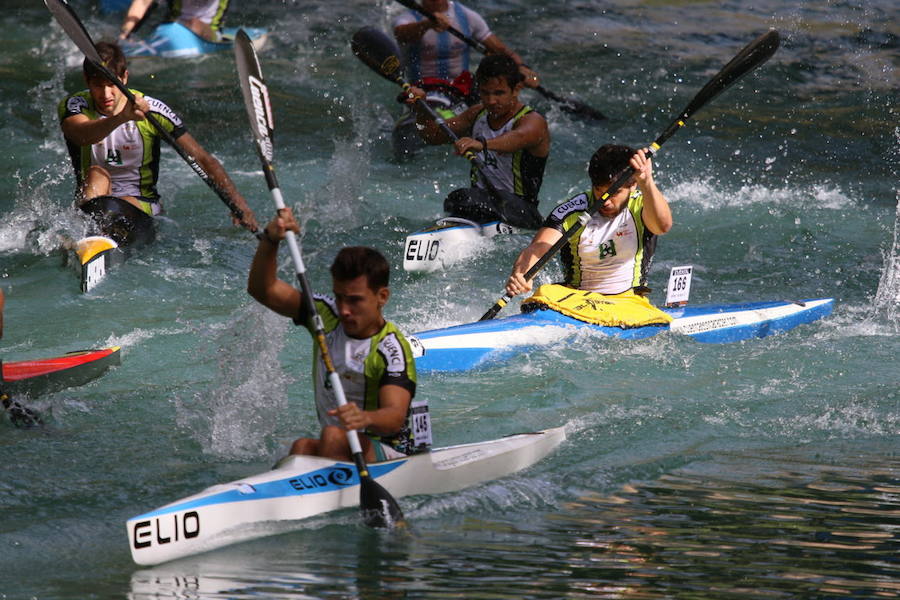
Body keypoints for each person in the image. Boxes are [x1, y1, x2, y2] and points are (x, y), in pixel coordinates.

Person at [247, 208, 429, 462]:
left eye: (355, 300)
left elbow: (394, 418)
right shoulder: (324, 316)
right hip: (340, 443)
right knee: (301, 448)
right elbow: (261, 289)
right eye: (339, 297)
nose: (344, 310)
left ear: (382, 297)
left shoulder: (391, 349)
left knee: (332, 436)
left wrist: (365, 418)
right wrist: (270, 239)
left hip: (392, 452)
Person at [58, 41, 256, 232]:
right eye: (98, 85)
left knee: (118, 206)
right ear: (86, 80)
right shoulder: (76, 105)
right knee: (96, 175)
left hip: (140, 203)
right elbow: (80, 135)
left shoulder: (154, 111)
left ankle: (96, 233)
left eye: (112, 84)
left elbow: (203, 159)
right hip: (93, 200)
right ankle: (88, 238)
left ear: (124, 78)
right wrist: (122, 118)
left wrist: (239, 205)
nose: (106, 93)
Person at [506, 144, 672, 299]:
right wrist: (522, 273)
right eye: (599, 190)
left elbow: (662, 227)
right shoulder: (571, 212)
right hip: (578, 299)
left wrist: (647, 182)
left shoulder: (644, 205)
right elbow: (539, 246)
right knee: (544, 293)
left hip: (629, 301)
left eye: (614, 193)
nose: (605, 201)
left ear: (633, 185)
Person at [405, 54, 550, 229]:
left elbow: (518, 138)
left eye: (499, 93)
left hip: (523, 213)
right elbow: (431, 136)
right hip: (480, 204)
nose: (491, 101)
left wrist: (482, 144)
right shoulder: (476, 114)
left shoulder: (533, 121)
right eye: (485, 93)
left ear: (517, 89)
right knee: (457, 200)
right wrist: (421, 109)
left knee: (464, 198)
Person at [392, 0, 539, 90]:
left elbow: (500, 50)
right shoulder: (408, 19)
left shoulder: (467, 17)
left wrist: (522, 69)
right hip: (421, 89)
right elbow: (402, 34)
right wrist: (427, 24)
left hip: (461, 88)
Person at [119, 0, 230, 42]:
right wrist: (125, 33)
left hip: (210, 32)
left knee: (194, 24)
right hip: (172, 28)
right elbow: (142, 3)